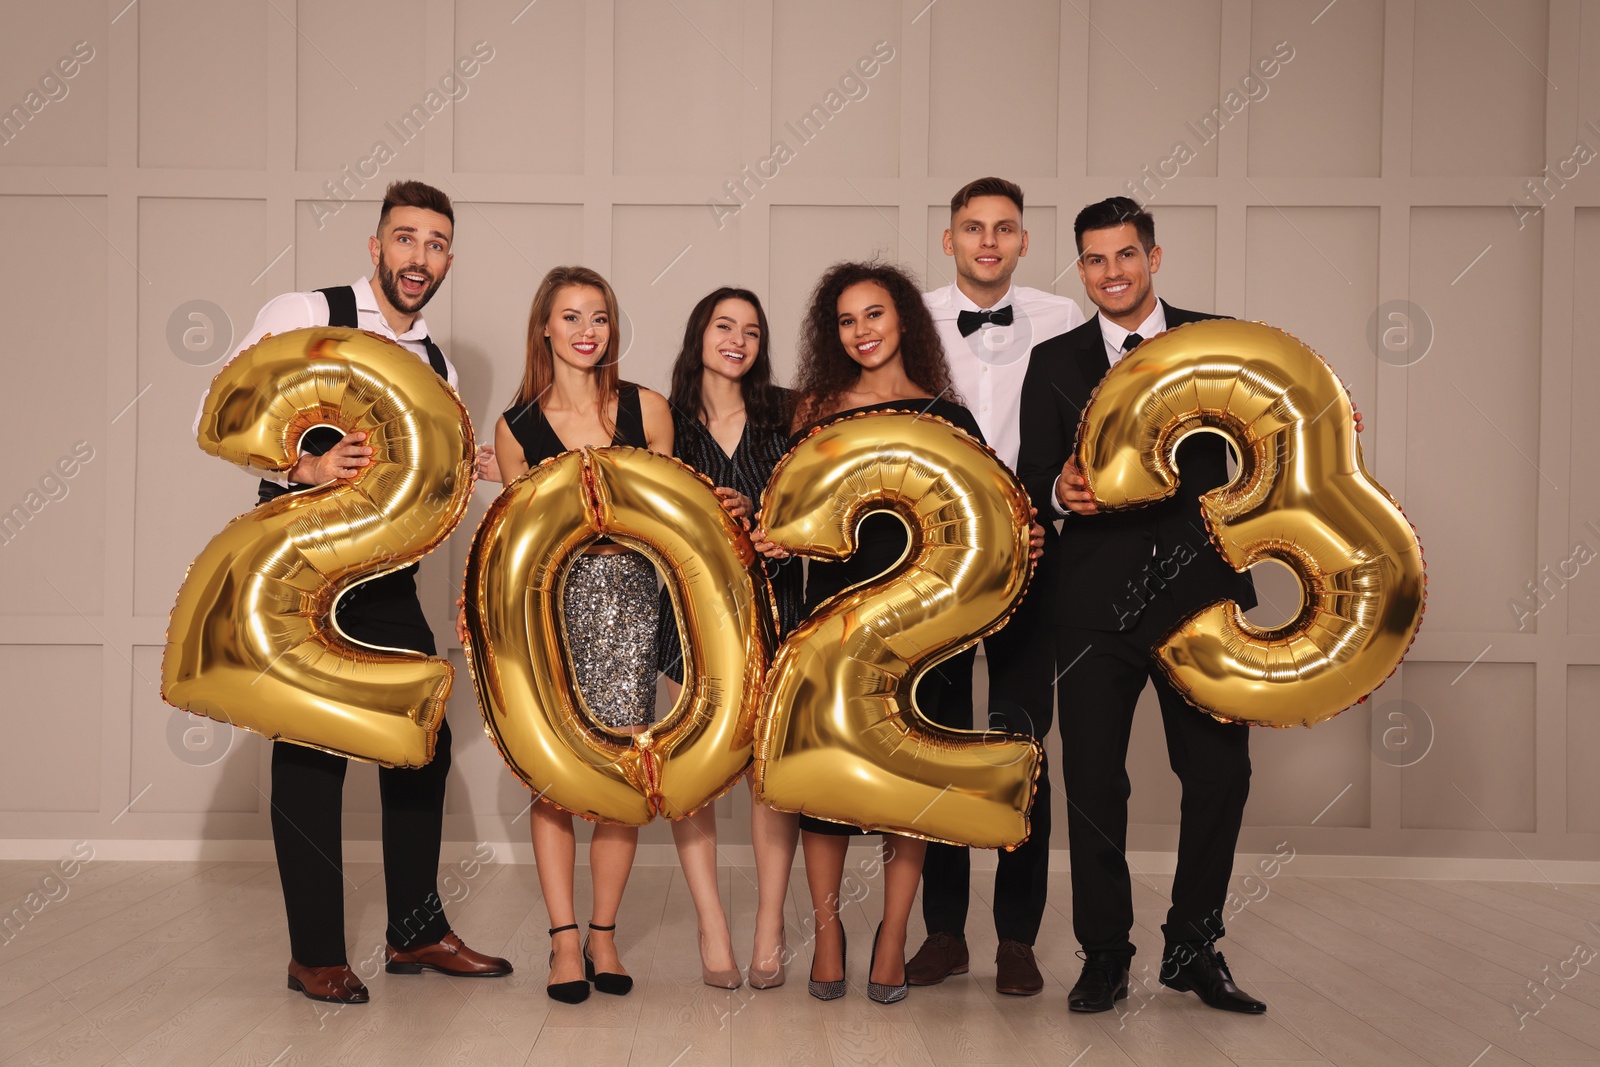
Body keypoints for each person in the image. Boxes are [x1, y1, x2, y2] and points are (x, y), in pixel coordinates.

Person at [199, 180, 510, 1005]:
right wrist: (300, 466)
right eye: (406, 239)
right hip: (299, 568)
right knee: (311, 749)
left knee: (421, 737)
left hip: (384, 572)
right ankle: (315, 955)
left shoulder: (434, 361)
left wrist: (471, 467)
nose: (420, 257)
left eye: (437, 243)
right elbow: (225, 409)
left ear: (449, 258)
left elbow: (421, 473)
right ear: (376, 247)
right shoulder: (305, 309)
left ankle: (413, 932)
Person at [755, 261, 1041, 1006]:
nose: (862, 332)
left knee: (910, 785)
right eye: (847, 320)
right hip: (838, 619)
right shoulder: (814, 408)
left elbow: (993, 516)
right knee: (821, 787)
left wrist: (1026, 539)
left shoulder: (948, 413)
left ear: (904, 319)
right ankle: (826, 933)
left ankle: (890, 934)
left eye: (874, 315)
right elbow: (792, 513)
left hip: (927, 633)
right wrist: (781, 540)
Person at [1016, 197, 1268, 1015]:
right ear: (1081, 267)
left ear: (1153, 258)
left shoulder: (1219, 341)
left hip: (1202, 602)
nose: (1111, 272)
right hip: (1091, 608)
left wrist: (1330, 426)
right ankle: (1105, 953)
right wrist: (1059, 488)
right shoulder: (1053, 360)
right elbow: (1030, 481)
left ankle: (1194, 945)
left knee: (1220, 775)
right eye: (1094, 259)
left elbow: (1281, 437)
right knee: (1093, 784)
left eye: (1125, 255)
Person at [912, 176, 1086, 996]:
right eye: (973, 228)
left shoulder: (1064, 320)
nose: (989, 241)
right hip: (936, 558)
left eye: (1005, 228)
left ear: (1023, 242)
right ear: (948, 240)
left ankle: (1016, 936)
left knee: (1020, 742)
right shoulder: (907, 317)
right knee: (938, 739)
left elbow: (1145, 383)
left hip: (1035, 553)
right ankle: (944, 931)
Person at [491, 265, 673, 1004]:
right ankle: (564, 941)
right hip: (550, 607)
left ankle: (605, 931)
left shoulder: (647, 406)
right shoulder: (517, 428)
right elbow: (515, 546)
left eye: (599, 316)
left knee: (623, 767)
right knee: (556, 775)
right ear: (545, 327)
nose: (587, 330)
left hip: (631, 597)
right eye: (570, 317)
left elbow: (671, 517)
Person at [654, 288, 804, 990]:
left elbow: (814, 511)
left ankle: (769, 922)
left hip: (775, 609)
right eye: (724, 325)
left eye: (751, 329)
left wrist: (768, 523)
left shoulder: (787, 413)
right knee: (699, 773)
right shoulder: (664, 420)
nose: (737, 339)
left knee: (770, 777)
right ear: (700, 333)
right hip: (689, 618)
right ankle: (711, 921)